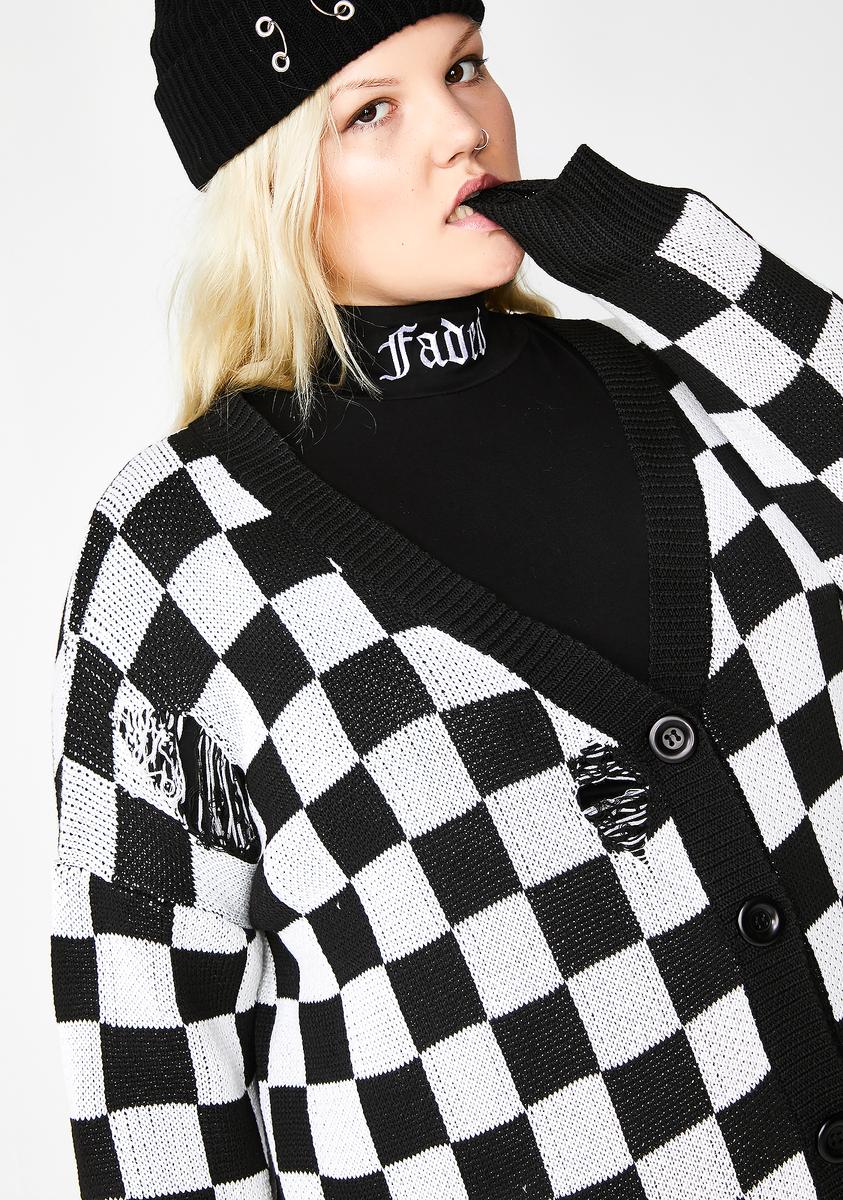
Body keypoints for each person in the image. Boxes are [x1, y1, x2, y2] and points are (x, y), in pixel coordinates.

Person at [49, 3, 843, 1198]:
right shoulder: (182, 552)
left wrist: (675, 256)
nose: (461, 129)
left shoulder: (698, 408)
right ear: (272, 181)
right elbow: (146, 1058)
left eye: (465, 67)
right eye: (372, 110)